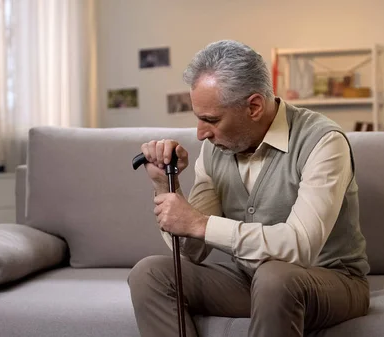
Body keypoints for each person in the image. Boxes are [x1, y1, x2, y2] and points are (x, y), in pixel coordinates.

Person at [128, 40, 370, 337]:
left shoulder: (323, 141)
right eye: (198, 118)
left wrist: (201, 224)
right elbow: (192, 249)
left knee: (275, 277)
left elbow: (300, 248)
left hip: (331, 281)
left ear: (254, 106)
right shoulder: (216, 148)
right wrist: (166, 184)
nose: (201, 134)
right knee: (149, 274)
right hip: (249, 280)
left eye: (211, 120)